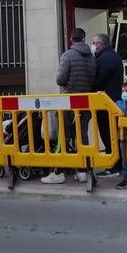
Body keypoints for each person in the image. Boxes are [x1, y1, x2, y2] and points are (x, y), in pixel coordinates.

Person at [42, 28, 97, 184]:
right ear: (84, 39)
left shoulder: (67, 55)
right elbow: (92, 80)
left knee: (63, 136)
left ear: (71, 39)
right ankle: (82, 171)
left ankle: (59, 172)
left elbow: (60, 79)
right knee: (82, 136)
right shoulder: (92, 57)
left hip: (68, 101)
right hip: (85, 101)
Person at [92, 32, 123, 175]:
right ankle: (117, 163)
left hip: (106, 104)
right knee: (113, 134)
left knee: (108, 134)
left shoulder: (104, 59)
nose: (93, 46)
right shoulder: (113, 56)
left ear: (102, 44)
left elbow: (98, 82)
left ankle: (113, 166)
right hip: (113, 101)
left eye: (95, 43)